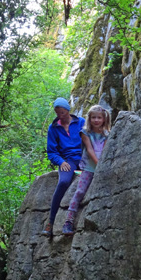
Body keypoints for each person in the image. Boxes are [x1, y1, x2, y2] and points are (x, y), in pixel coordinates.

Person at [62, 104, 111, 236]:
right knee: (80, 191)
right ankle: (68, 221)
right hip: (89, 168)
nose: (96, 120)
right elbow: (89, 149)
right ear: (89, 119)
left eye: (99, 118)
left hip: (103, 167)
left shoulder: (107, 134)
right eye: (93, 117)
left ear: (104, 119)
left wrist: (103, 165)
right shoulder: (85, 133)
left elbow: (106, 150)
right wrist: (98, 163)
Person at [41, 97, 85, 237]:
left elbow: (91, 140)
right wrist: (61, 162)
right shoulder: (53, 128)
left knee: (87, 178)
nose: (60, 116)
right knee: (64, 182)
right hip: (67, 160)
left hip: (83, 158)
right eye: (57, 113)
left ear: (68, 111)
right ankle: (51, 222)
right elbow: (52, 151)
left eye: (63, 113)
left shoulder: (81, 122)